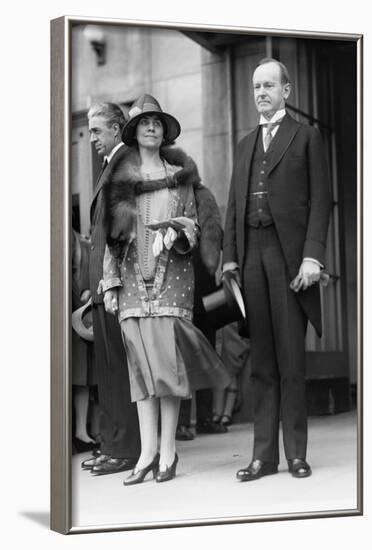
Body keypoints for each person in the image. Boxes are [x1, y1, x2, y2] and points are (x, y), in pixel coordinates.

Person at [101, 93, 230, 485]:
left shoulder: (181, 178)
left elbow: (194, 227)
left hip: (171, 281)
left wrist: (176, 233)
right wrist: (109, 283)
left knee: (168, 370)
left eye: (157, 123)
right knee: (141, 371)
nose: (152, 127)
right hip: (132, 285)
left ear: (164, 132)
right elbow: (110, 237)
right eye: (145, 122)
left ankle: (169, 451)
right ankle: (146, 452)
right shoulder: (120, 180)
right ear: (135, 131)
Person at [223, 58, 331, 481]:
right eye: (256, 87)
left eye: (269, 85)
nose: (261, 93)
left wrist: (312, 256)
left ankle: (296, 453)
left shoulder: (307, 137)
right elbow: (234, 203)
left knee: (291, 360)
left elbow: (321, 201)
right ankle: (263, 458)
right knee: (261, 362)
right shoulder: (244, 143)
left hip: (290, 257)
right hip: (252, 255)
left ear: (286, 91)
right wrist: (230, 255)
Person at [80, 102, 141, 475]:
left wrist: (110, 279)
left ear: (117, 129)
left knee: (118, 369)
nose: (92, 139)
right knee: (107, 369)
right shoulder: (110, 166)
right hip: (101, 286)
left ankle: (126, 449)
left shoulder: (125, 164)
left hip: (114, 283)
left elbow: (121, 230)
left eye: (97, 131)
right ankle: (113, 443)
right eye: (89, 131)